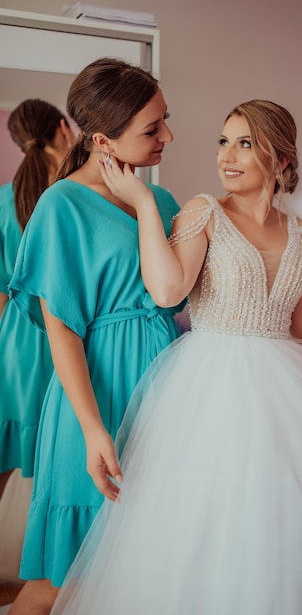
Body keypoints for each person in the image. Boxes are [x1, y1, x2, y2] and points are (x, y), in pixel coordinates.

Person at [51, 100, 302, 615]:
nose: (228, 155)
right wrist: (142, 201)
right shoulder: (204, 212)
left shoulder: (301, 234)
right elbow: (166, 289)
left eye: (245, 144)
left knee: (301, 522)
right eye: (224, 142)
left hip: (291, 388)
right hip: (211, 384)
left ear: (280, 160)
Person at [7, 58, 183, 615]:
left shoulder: (163, 202)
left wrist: (143, 204)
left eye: (165, 121)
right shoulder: (60, 207)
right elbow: (62, 334)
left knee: (148, 570)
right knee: (58, 581)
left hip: (164, 395)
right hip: (95, 399)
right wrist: (91, 430)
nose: (168, 137)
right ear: (103, 138)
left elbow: (177, 300)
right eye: (152, 128)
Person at [0, 98, 76, 499]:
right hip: (69, 337)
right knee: (65, 461)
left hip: (15, 343)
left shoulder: (0, 202)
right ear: (65, 129)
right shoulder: (76, 198)